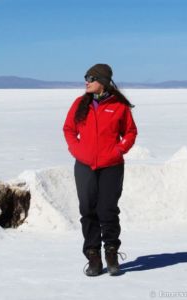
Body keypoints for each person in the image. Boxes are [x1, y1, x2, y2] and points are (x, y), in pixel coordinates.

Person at [63, 63, 137, 276]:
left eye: (91, 78)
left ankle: (111, 252)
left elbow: (130, 132)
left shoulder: (119, 106)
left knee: (107, 210)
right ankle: (93, 255)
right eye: (86, 77)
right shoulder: (79, 104)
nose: (87, 81)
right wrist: (77, 149)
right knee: (87, 210)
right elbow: (69, 129)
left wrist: (119, 150)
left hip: (111, 166)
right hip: (85, 165)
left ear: (103, 82)